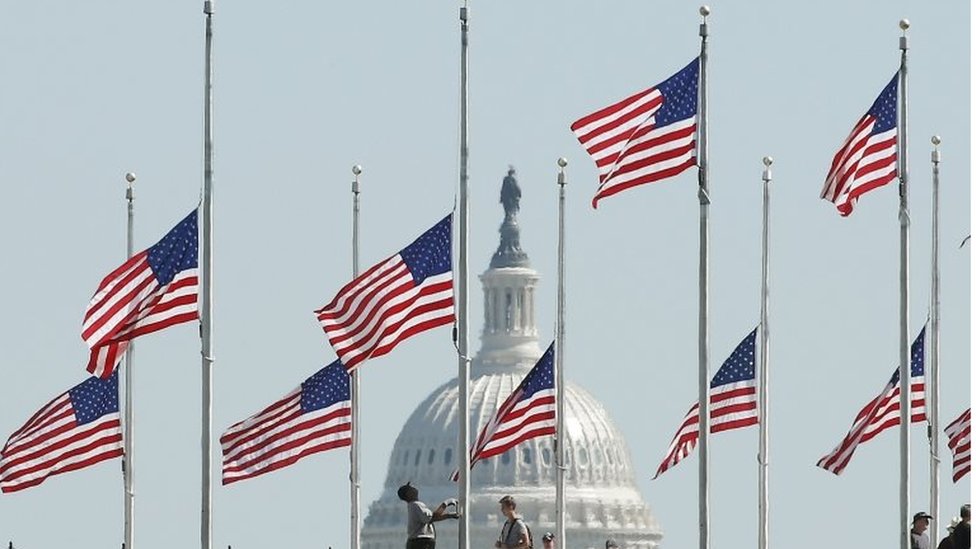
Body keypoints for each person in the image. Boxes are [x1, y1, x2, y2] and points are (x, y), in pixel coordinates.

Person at [397, 482, 458, 549]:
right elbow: (433, 517)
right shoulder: (416, 505)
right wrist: (446, 503)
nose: (414, 488)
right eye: (411, 488)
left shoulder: (413, 506)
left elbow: (431, 519)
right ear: (408, 494)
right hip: (421, 542)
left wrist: (449, 515)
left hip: (418, 541)